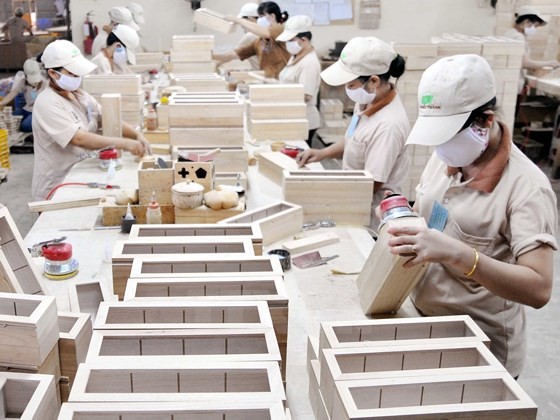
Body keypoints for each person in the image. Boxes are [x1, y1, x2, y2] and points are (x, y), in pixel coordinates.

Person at [387, 54, 557, 378]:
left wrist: (460, 254)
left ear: (485, 121)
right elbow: (429, 212)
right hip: (425, 322)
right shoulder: (448, 155)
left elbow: (539, 289)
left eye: (447, 134)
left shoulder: (527, 188)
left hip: (481, 347)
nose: (439, 146)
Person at [297, 37, 409, 228]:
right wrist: (322, 154)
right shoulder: (366, 100)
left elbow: (372, 183)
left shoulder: (388, 126)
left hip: (367, 211)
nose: (346, 89)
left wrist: (323, 192)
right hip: (351, 194)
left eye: (350, 85)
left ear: (373, 81)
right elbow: (353, 139)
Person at [32, 40, 151, 201]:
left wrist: (136, 135)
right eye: (72, 74)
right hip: (57, 185)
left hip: (80, 176)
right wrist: (124, 143)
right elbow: (78, 138)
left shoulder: (79, 95)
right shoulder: (47, 103)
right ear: (53, 73)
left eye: (78, 74)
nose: (77, 78)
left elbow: (105, 117)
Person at [213, 1, 290, 78]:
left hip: (281, 82)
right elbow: (233, 54)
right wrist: (209, 55)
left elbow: (266, 33)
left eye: (262, 16)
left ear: (272, 16)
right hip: (268, 81)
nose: (259, 20)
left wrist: (238, 20)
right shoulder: (258, 41)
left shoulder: (280, 29)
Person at [277, 15, 321, 146]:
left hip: (304, 120)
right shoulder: (296, 56)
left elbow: (306, 95)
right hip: (292, 117)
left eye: (291, 40)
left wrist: (275, 94)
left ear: (304, 39)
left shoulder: (309, 63)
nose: (287, 44)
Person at [503, 5, 560, 93]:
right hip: (511, 84)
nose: (535, 29)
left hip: (508, 81)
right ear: (527, 22)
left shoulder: (510, 33)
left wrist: (535, 67)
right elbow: (524, 63)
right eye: (535, 26)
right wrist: (550, 63)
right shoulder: (517, 37)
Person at [0, 59, 45, 132]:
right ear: (26, 76)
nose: (35, 83)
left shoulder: (44, 83)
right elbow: (12, 95)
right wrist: (1, 103)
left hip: (40, 111)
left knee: (25, 126)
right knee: (11, 119)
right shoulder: (22, 82)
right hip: (28, 109)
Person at [235, 3, 260, 71]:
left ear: (250, 19)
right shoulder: (265, 32)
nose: (242, 27)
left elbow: (231, 56)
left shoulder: (250, 36)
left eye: (242, 24)